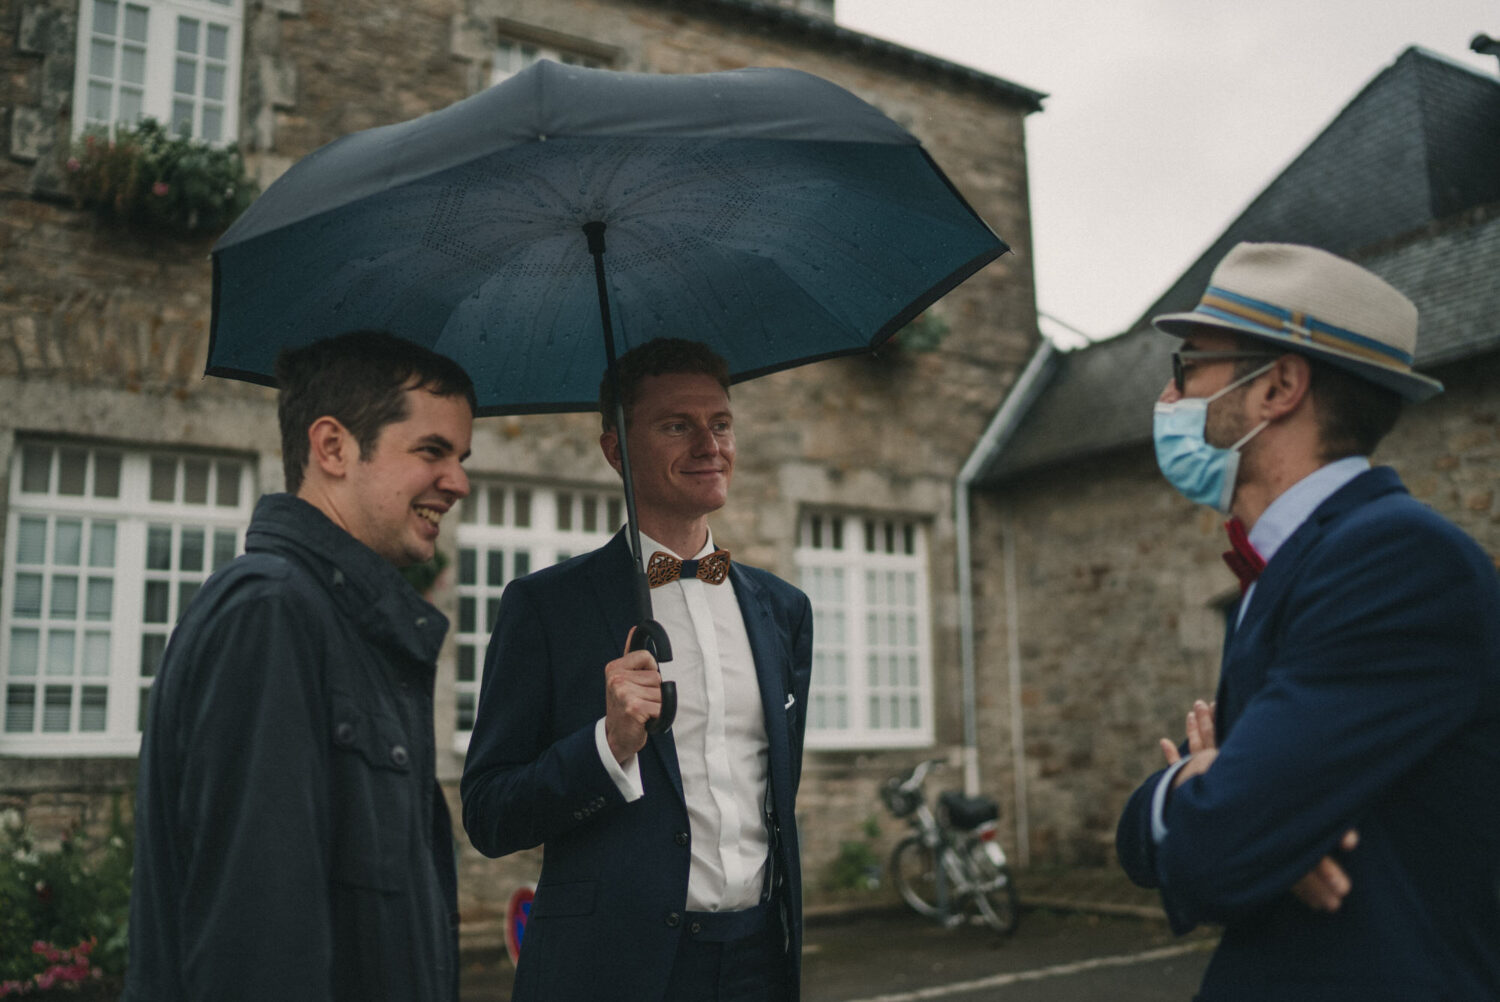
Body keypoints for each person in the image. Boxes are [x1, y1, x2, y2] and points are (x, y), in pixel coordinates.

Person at [1116, 242, 1500, 1000]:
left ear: (1278, 386)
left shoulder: (1395, 561)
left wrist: (1205, 797)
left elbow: (1219, 850)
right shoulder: (1300, 563)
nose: (1170, 395)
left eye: (1190, 367)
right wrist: (1239, 809)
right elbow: (1224, 836)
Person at [124, 330, 475, 1001]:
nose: (458, 482)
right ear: (333, 447)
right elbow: (256, 950)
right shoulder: (271, 616)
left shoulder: (345, 626)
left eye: (460, 456)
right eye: (432, 450)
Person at [461, 338, 813, 1002]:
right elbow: (488, 814)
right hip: (615, 968)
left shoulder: (785, 611)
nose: (710, 444)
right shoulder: (545, 608)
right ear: (616, 451)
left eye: (722, 422)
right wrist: (608, 745)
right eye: (678, 425)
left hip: (760, 961)